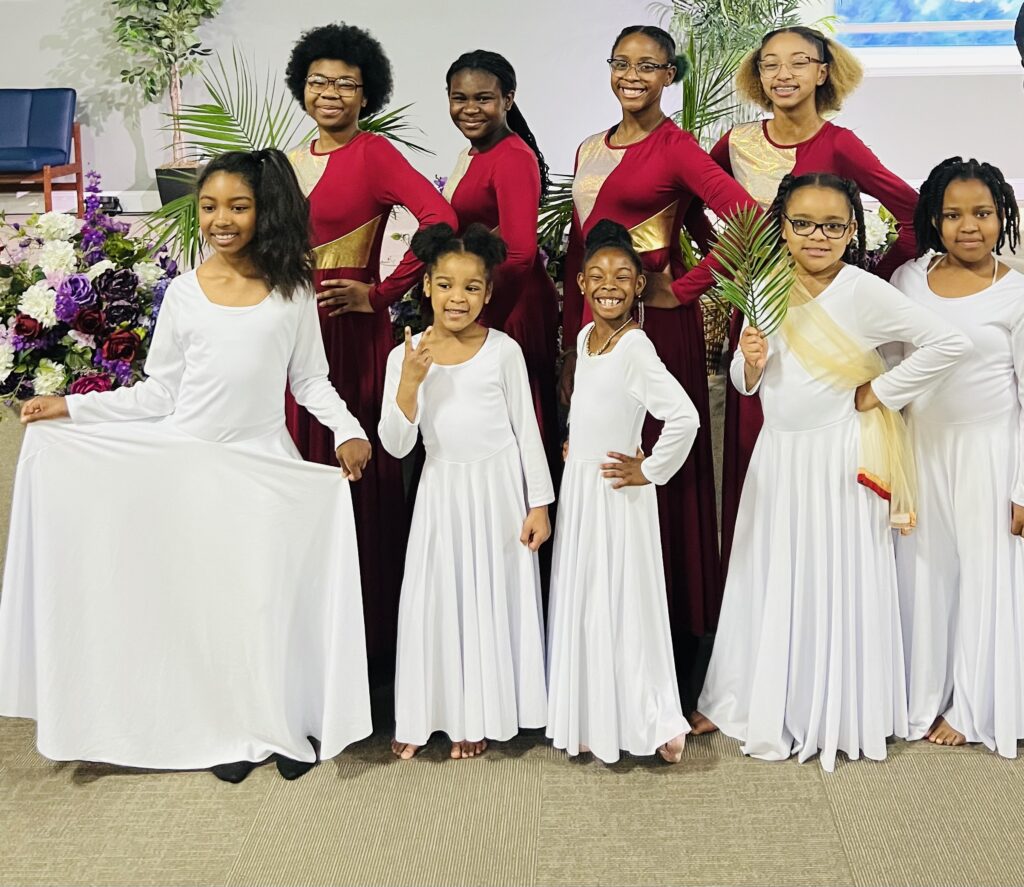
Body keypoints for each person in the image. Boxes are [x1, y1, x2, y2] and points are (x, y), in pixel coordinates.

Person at [0, 149, 373, 782]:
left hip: (263, 466)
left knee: (265, 600)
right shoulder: (185, 293)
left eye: (237, 206)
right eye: (208, 207)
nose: (220, 220)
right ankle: (226, 729)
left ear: (265, 210)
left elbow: (310, 380)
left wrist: (348, 430)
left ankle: (276, 722)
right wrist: (73, 407)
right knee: (214, 604)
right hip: (192, 468)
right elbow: (160, 393)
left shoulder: (292, 289)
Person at [693, 173, 971, 770]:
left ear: (852, 230)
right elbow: (748, 384)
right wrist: (749, 364)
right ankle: (742, 694)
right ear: (782, 227)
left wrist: (882, 390)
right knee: (763, 570)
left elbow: (947, 345)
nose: (817, 237)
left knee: (831, 571)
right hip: (779, 453)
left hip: (840, 454)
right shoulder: (765, 283)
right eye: (803, 224)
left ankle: (833, 704)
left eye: (833, 225)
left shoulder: (864, 291)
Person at [561, 25, 759, 701]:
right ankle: (605, 642)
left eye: (649, 65)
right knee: (601, 471)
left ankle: (673, 648)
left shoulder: (676, 148)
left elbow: (750, 222)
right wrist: (570, 338)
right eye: (622, 63)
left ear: (670, 75)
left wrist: (685, 285)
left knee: (655, 476)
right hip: (595, 323)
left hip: (656, 329)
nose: (633, 74)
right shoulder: (590, 147)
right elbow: (575, 255)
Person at [703, 26, 921, 581]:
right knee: (757, 449)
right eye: (771, 63)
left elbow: (914, 210)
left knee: (822, 458)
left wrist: (873, 273)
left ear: (823, 73)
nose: (783, 74)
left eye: (799, 63)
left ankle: (825, 589)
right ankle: (761, 598)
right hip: (761, 311)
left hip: (829, 322)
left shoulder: (841, 143)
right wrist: (722, 266)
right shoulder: (736, 142)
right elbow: (688, 205)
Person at [284, 23, 458, 677]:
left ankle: (372, 638)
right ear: (302, 87)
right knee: (304, 468)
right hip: (292, 329)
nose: (330, 93)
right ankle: (310, 631)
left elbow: (440, 219)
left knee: (354, 471)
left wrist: (383, 292)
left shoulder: (375, 154)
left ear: (367, 94)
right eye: (318, 81)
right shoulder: (286, 158)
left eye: (345, 84)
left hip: (351, 333)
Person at [380, 223, 553, 761]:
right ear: (426, 287)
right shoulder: (404, 356)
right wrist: (409, 382)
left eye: (472, 287)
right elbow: (396, 444)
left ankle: (479, 714)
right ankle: (426, 710)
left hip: (499, 494)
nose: (459, 298)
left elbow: (528, 430)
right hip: (442, 494)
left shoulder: (504, 352)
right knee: (437, 599)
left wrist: (540, 504)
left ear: (489, 293)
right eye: (447, 285)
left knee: (490, 600)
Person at [547, 219, 698, 765]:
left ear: (638, 286)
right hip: (583, 487)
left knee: (626, 599)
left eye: (621, 276)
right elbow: (593, 402)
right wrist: (574, 443)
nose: (608, 284)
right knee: (589, 598)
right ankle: (594, 711)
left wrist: (651, 469)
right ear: (581, 285)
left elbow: (683, 417)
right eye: (596, 276)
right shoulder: (589, 340)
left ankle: (651, 714)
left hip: (618, 492)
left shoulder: (634, 346)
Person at [892, 157, 1024, 757]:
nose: (968, 226)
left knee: (983, 575)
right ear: (932, 220)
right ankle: (925, 691)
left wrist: (1023, 483)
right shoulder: (909, 281)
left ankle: (975, 704)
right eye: (952, 214)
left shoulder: (1018, 291)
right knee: (927, 571)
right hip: (923, 447)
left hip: (990, 451)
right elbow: (891, 368)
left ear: (1002, 216)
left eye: (982, 213)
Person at [441, 50, 560, 473]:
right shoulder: (475, 152)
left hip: (513, 304)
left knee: (514, 425)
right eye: (459, 98)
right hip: (489, 299)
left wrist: (484, 317)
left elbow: (520, 250)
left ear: (508, 100)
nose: (469, 109)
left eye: (483, 98)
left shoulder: (511, 156)